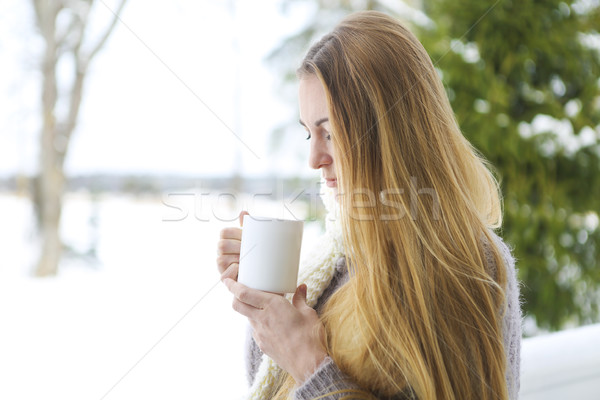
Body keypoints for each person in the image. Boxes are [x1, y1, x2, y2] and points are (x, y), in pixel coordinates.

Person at [216, 10, 521, 400]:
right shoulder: (336, 257)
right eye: (309, 133)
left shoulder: (466, 266)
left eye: (329, 132)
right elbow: (271, 379)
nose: (315, 158)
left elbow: (304, 371)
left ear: (385, 131)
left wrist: (310, 364)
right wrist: (267, 297)